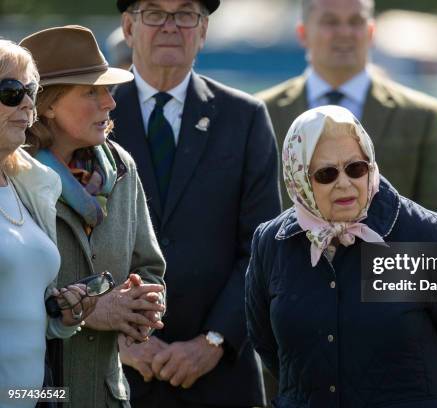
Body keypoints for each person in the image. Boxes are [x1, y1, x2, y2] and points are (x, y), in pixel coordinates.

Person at [246, 105, 437, 408]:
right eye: (326, 174)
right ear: (299, 179)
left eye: (356, 168)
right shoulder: (272, 243)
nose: (344, 183)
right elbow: (267, 344)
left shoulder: (424, 235)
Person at [112, 0, 281, 406]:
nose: (171, 26)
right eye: (154, 12)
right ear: (129, 27)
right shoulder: (90, 113)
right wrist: (116, 337)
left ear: (203, 31)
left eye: (186, 14)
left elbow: (262, 247)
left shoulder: (245, 118)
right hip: (112, 377)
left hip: (219, 377)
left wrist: (214, 340)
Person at [20, 25, 166, 407]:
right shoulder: (11, 176)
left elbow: (149, 267)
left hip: (106, 396)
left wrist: (143, 303)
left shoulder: (121, 167)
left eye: (108, 90)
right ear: (47, 104)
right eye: (91, 91)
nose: (110, 103)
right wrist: (90, 311)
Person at [256, 0, 437, 212]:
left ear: (371, 31)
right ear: (303, 33)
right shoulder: (262, 113)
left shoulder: (421, 115)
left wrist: (380, 248)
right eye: (330, 22)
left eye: (356, 21)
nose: (344, 32)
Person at [0, 39, 97, 407]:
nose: (27, 103)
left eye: (31, 91)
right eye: (11, 92)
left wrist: (63, 315)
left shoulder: (31, 183)